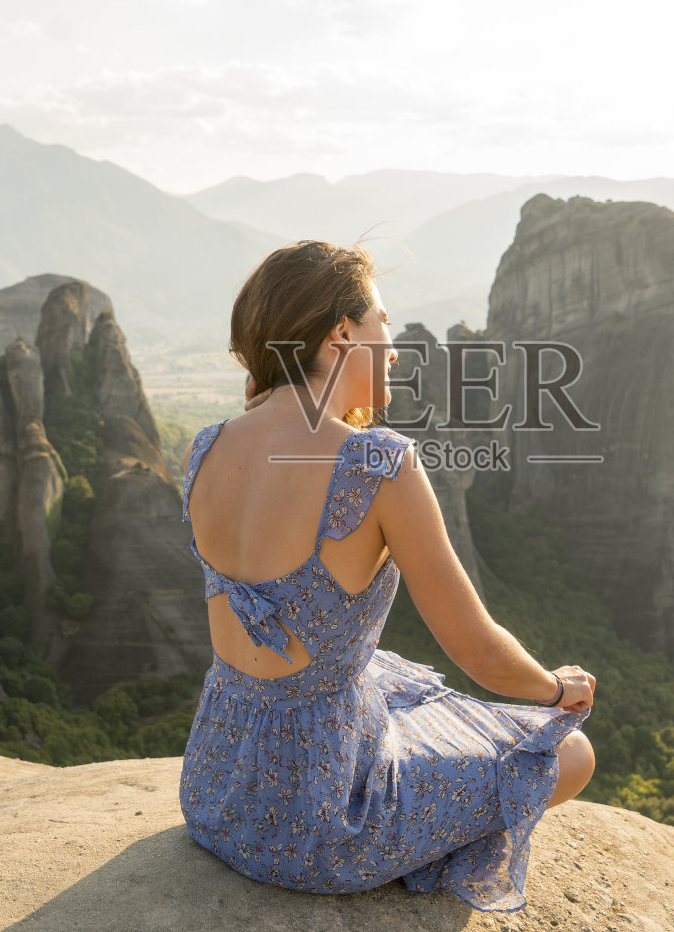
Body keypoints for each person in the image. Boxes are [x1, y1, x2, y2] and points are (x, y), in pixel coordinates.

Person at [177, 239, 596, 912]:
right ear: (342, 332)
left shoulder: (205, 447)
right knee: (570, 755)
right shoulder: (376, 464)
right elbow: (478, 649)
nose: (394, 346)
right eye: (383, 323)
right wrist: (556, 687)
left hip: (214, 792)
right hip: (323, 822)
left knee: (392, 681)